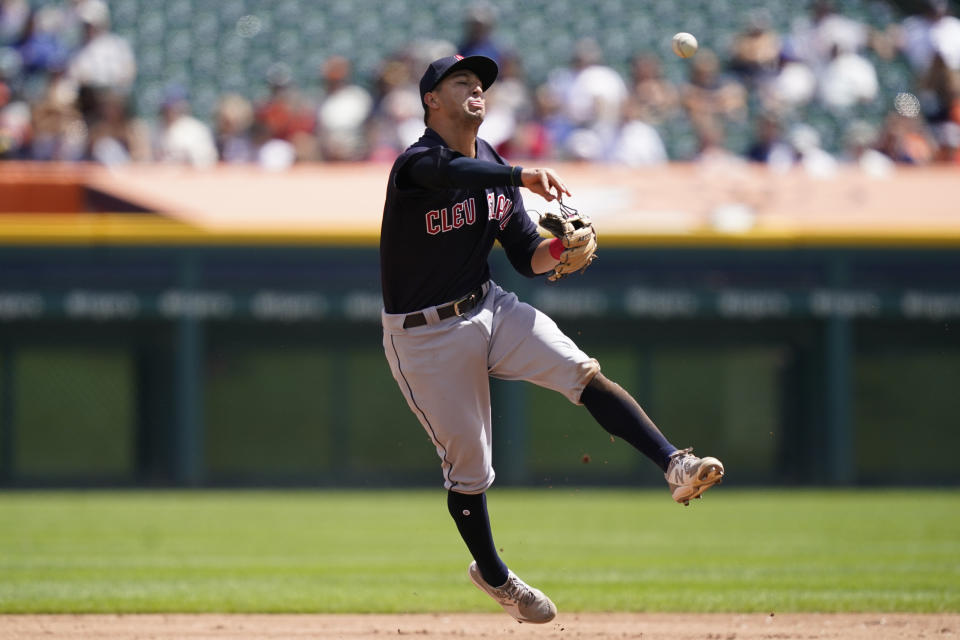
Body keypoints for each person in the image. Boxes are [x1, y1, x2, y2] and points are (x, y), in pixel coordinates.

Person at [379, 54, 725, 625]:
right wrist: (520, 175)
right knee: (470, 470)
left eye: (481, 83)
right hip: (425, 335)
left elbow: (523, 254)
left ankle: (674, 465)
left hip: (488, 303)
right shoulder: (416, 163)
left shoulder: (490, 161)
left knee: (581, 371)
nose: (476, 90)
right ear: (431, 101)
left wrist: (559, 252)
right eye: (460, 82)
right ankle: (494, 576)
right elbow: (449, 174)